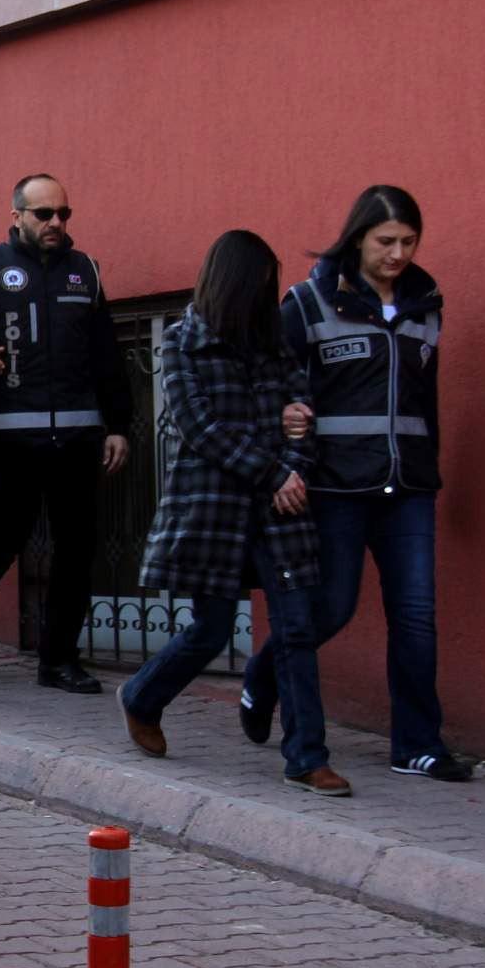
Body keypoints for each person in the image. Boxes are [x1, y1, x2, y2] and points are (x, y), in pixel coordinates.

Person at [243, 186, 469, 782]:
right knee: (334, 608)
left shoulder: (426, 306)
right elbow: (272, 385)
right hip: (335, 486)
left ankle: (418, 744)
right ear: (358, 238)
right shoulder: (309, 303)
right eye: (385, 241)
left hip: (409, 488)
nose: (398, 253)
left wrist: (432, 470)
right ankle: (263, 675)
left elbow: (428, 401)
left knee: (417, 615)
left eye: (409, 241)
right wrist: (284, 461)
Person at [117, 230, 344, 795]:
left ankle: (306, 757)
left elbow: (301, 410)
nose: (267, 297)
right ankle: (141, 696)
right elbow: (199, 428)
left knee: (295, 628)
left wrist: (294, 463)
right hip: (215, 508)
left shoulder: (275, 344)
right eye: (260, 285)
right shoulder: (180, 342)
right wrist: (275, 469)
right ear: (235, 284)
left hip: (278, 508)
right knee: (212, 628)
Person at [0, 173, 134, 695]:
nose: (56, 223)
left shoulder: (86, 271)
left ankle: (59, 659)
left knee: (77, 550)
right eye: (44, 215)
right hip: (10, 442)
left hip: (79, 439)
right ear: (16, 217)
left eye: (64, 214)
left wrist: (119, 426)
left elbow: (107, 356)